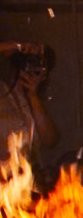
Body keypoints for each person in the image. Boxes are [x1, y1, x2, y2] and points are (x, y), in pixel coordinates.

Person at [0, 42, 58, 171]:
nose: (31, 68)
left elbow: (50, 140)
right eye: (30, 61)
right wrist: (17, 47)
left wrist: (33, 95)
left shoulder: (34, 103)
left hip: (24, 181)